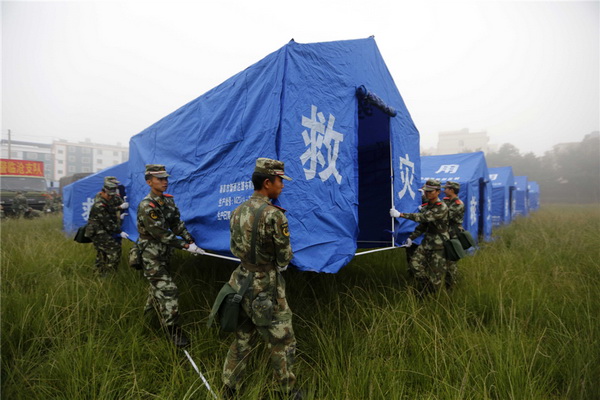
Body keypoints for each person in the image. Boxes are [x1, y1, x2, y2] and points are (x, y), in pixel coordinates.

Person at [222, 158, 301, 400]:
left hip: (241, 280)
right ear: (267, 183)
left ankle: (229, 387)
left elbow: (234, 247)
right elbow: (284, 255)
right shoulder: (273, 215)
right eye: (279, 181)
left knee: (243, 336)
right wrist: (281, 262)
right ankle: (285, 391)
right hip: (266, 284)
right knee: (283, 339)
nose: (282, 186)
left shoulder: (237, 211)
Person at [136, 164, 203, 348]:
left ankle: (146, 323)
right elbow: (160, 234)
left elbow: (176, 224)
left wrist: (191, 240)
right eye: (160, 179)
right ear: (149, 182)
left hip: (164, 254)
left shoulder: (168, 201)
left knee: (156, 289)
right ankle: (173, 330)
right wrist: (185, 246)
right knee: (169, 289)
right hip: (151, 254)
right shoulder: (147, 206)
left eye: (166, 178)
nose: (165, 182)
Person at [390, 179, 449, 294]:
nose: (427, 193)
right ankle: (427, 286)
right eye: (426, 191)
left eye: (430, 192)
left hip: (439, 244)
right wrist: (411, 238)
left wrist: (401, 214)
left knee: (435, 274)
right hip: (427, 242)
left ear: (438, 192)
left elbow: (423, 218)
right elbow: (422, 226)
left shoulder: (441, 207)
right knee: (414, 265)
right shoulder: (427, 206)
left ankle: (431, 297)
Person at [85, 179, 129, 276]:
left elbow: (111, 208)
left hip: (103, 228)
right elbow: (107, 222)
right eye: (108, 195)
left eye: (112, 195)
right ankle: (110, 273)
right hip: (97, 230)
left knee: (102, 252)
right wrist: (119, 231)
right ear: (102, 192)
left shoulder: (108, 199)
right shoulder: (99, 204)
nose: (110, 197)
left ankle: (99, 273)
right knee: (114, 249)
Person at [443, 181, 464, 289]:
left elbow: (445, 215)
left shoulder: (458, 204)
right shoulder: (446, 201)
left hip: (454, 236)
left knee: (451, 262)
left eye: (446, 188)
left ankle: (451, 286)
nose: (444, 190)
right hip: (445, 235)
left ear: (451, 190)